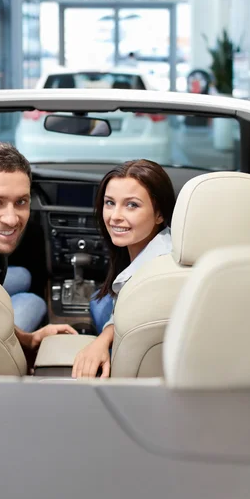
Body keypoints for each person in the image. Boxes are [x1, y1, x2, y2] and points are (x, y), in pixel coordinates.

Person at [0, 140, 78, 360]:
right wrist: (25, 346)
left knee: (23, 275)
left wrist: (29, 338)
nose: (12, 219)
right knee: (33, 301)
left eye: (21, 201)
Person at [72, 159, 176, 379]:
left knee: (96, 302)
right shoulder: (168, 241)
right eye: (110, 203)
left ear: (159, 214)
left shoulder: (151, 275)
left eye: (132, 205)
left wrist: (101, 343)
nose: (115, 216)